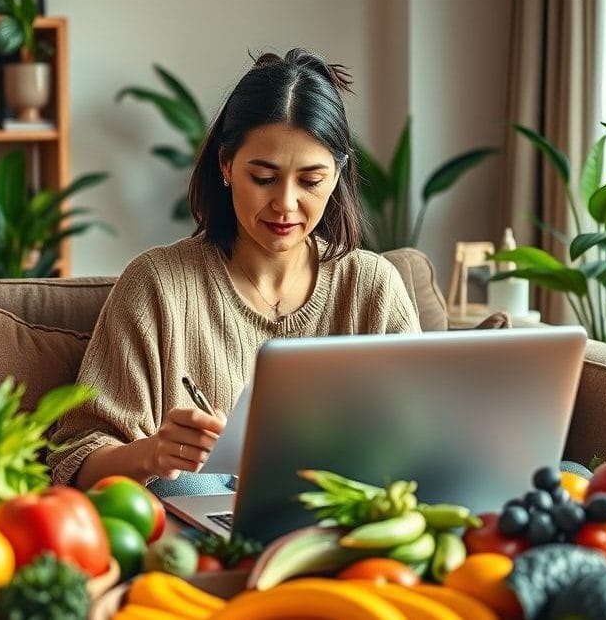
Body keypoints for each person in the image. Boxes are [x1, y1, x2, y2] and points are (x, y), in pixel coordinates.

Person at [48, 48, 422, 492]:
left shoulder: (373, 287)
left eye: (310, 180)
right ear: (226, 166)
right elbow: (76, 461)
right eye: (263, 177)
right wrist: (152, 453)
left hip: (349, 527)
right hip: (201, 542)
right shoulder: (159, 285)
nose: (285, 203)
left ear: (337, 175)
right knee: (188, 486)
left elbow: (424, 445)